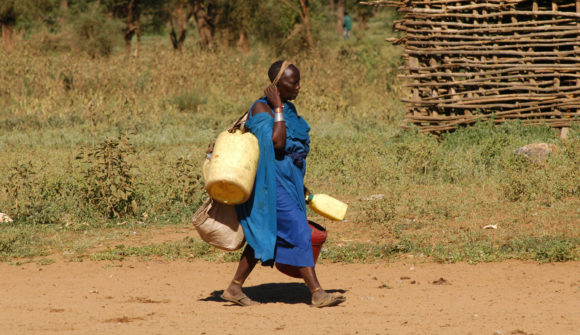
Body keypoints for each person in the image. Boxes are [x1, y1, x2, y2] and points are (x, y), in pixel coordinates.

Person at [220, 60, 346, 308]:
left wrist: (302, 185)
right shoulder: (261, 109)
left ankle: (234, 287)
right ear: (277, 86)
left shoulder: (288, 109)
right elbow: (277, 144)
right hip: (269, 184)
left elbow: (294, 151)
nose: (298, 87)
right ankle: (317, 292)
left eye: (299, 81)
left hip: (290, 181)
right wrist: (277, 107)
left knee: (266, 233)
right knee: (299, 229)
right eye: (292, 83)